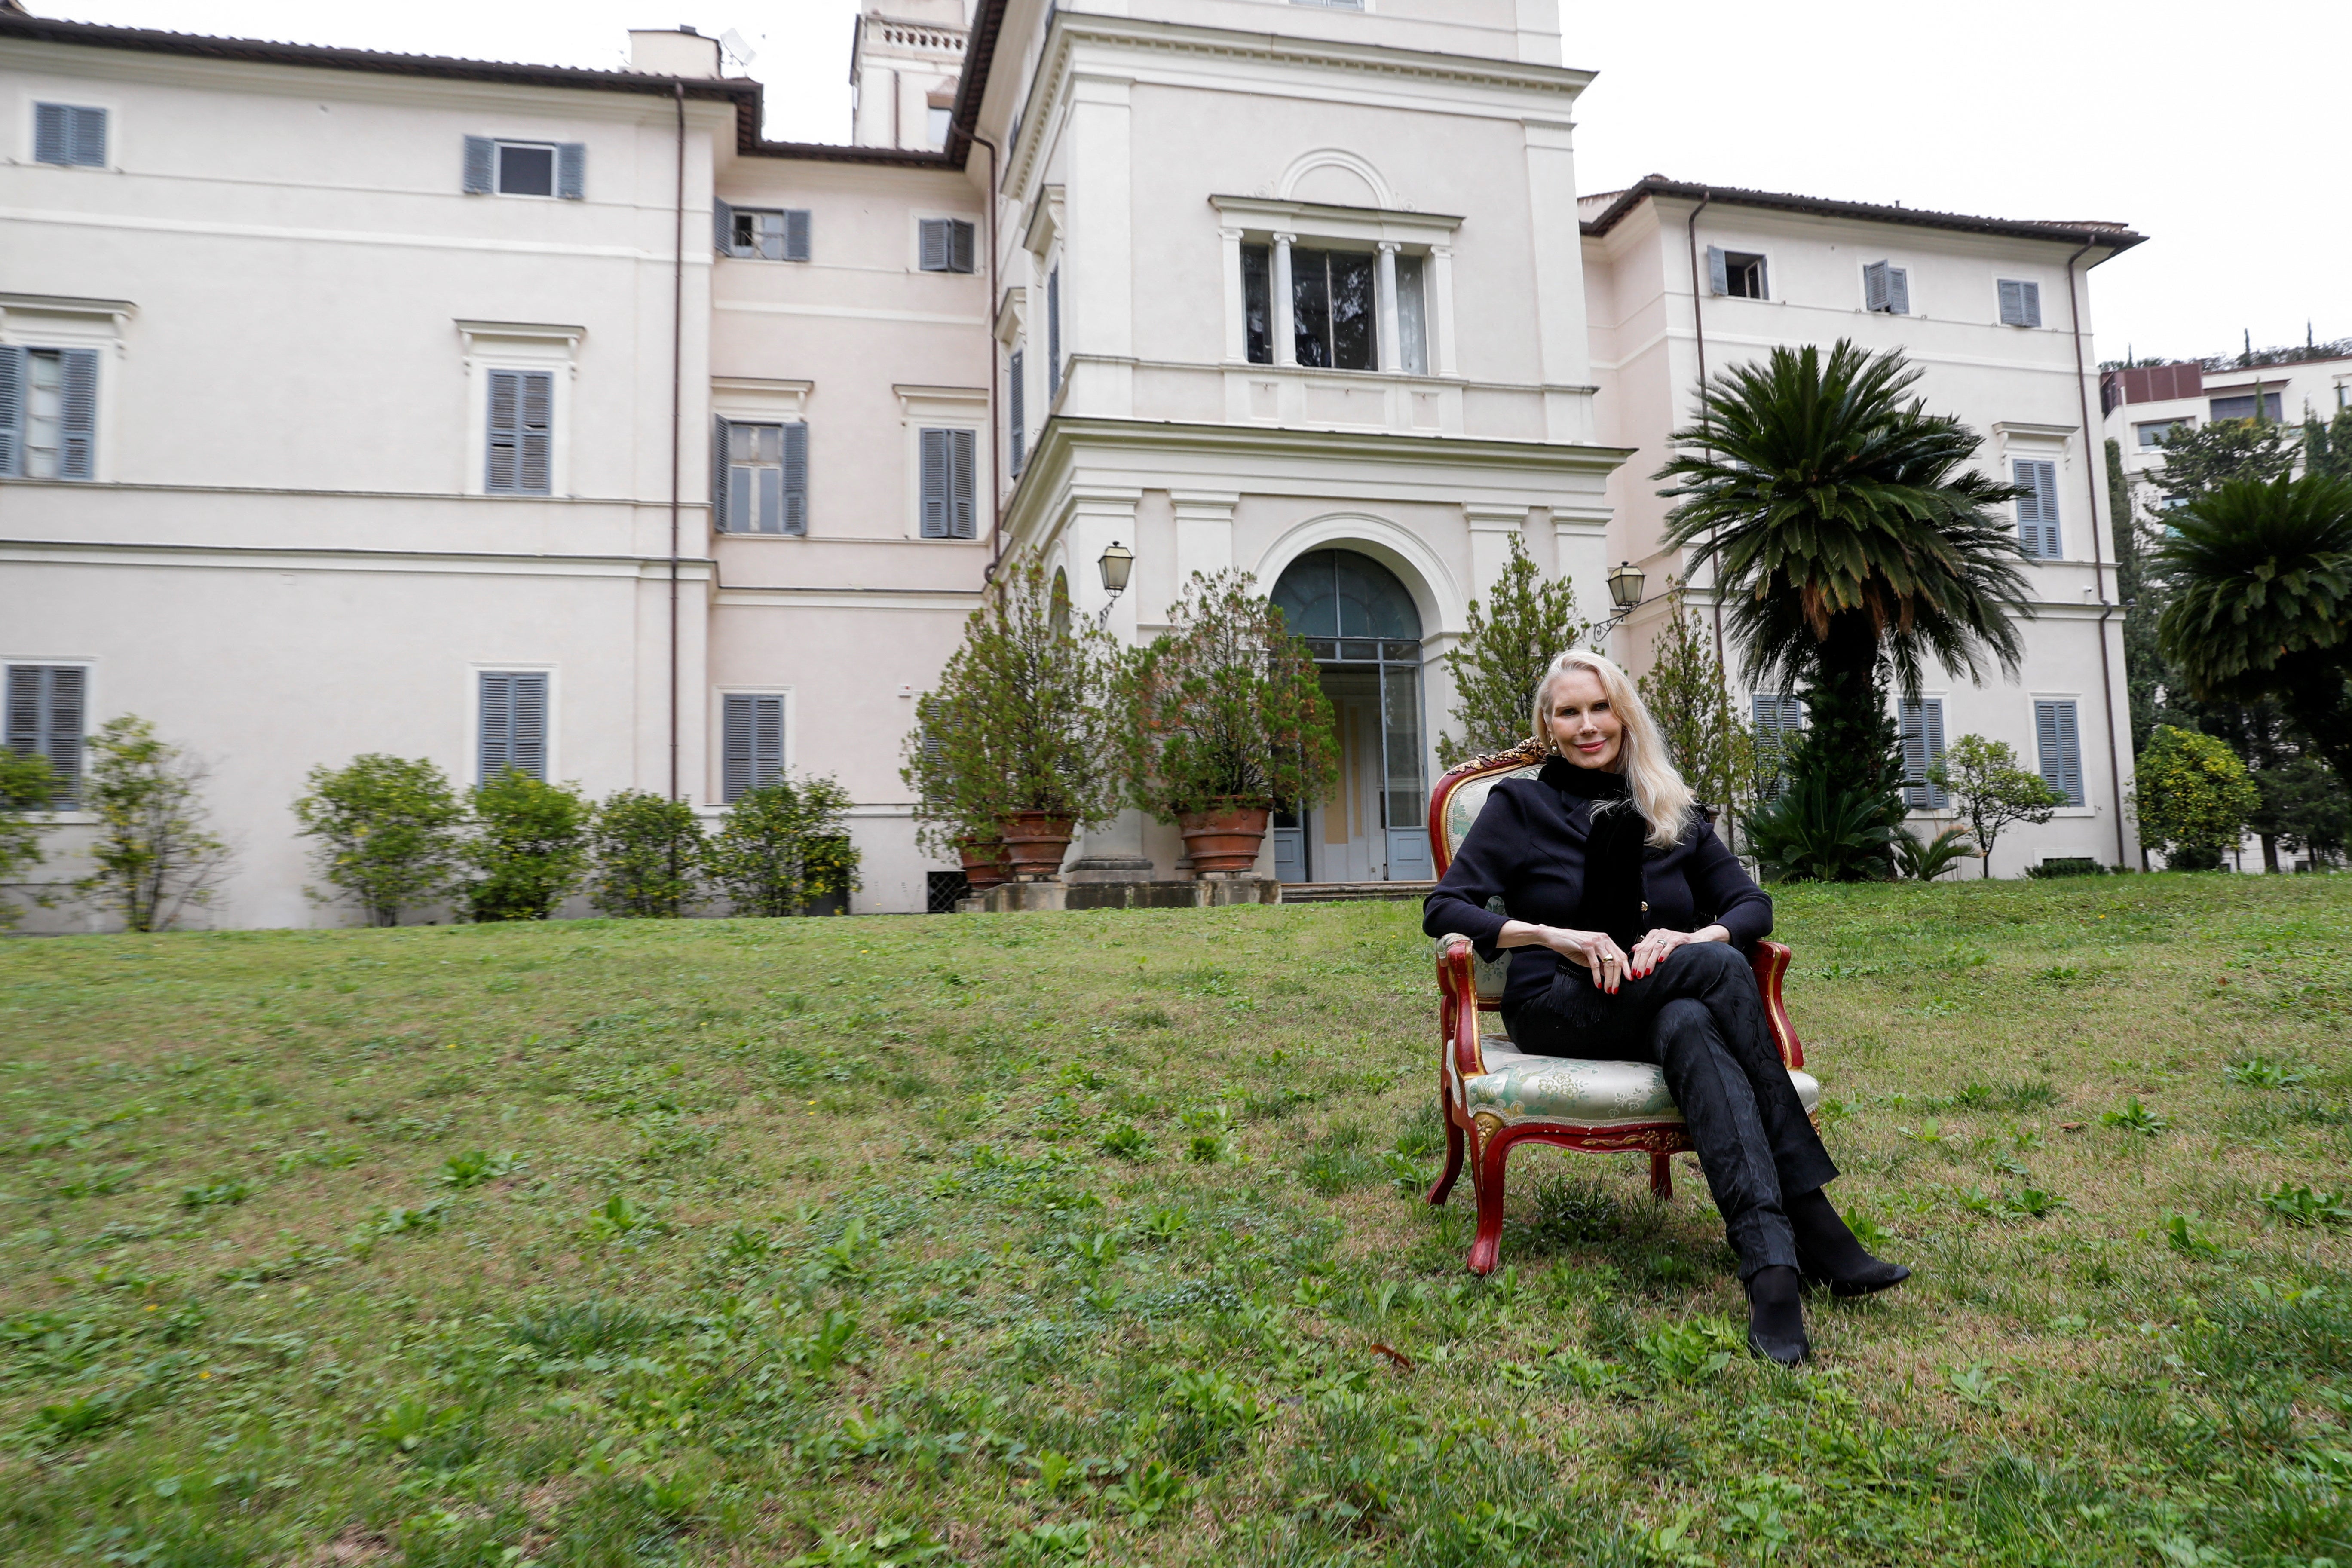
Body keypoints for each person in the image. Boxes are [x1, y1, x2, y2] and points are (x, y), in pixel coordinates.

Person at [1421, 649, 1907, 1363]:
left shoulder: (1669, 808)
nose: (1587, 726)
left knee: (1690, 1017)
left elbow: (1751, 905)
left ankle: (1771, 1273)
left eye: (1599, 707)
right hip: (1558, 1005)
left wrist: (1694, 937)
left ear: (1624, 713)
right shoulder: (1518, 806)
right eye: (1568, 712)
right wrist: (1552, 935)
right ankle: (1816, 1222)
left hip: (1659, 1002)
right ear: (1548, 725)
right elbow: (1445, 908)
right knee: (1711, 971)